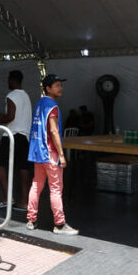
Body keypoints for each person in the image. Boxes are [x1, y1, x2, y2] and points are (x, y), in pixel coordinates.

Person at [26, 74, 78, 235]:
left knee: (36, 185)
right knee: (56, 189)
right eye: (56, 85)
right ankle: (60, 224)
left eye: (60, 85)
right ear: (48, 89)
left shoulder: (40, 104)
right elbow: (54, 131)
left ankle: (31, 220)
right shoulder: (52, 106)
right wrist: (61, 154)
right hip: (50, 153)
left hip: (38, 152)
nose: (60, 88)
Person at [0, 70, 33, 211]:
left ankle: (7, 198)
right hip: (24, 136)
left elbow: (11, 116)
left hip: (11, 135)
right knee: (23, 167)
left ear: (11, 80)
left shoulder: (11, 95)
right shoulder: (26, 96)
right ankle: (24, 201)